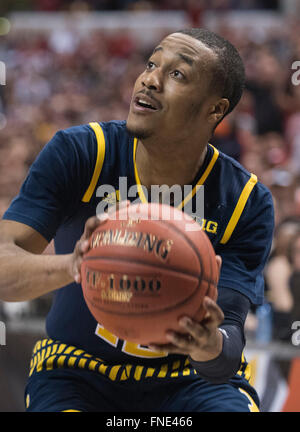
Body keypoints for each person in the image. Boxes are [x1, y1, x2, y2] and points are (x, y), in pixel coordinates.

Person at [0, 28, 274, 412]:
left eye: (177, 74)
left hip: (187, 380)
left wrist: (208, 344)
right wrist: (78, 265)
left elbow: (226, 352)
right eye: (151, 64)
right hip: (76, 370)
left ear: (215, 109)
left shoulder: (244, 199)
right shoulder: (83, 152)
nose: (150, 79)